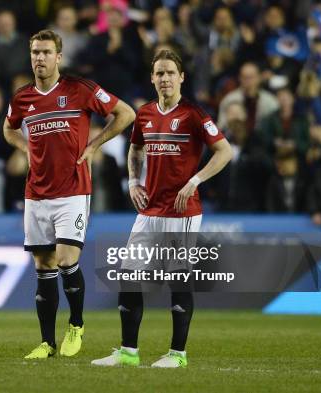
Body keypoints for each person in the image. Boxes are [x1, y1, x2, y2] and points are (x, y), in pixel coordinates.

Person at [92, 49, 232, 368]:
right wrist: (132, 181)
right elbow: (135, 149)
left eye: (170, 72)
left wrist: (195, 181)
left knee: (178, 280)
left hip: (181, 212)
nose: (165, 78)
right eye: (160, 73)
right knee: (129, 276)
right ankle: (128, 351)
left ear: (181, 77)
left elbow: (224, 152)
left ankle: (178, 355)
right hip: (149, 210)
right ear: (152, 78)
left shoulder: (194, 114)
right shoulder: (143, 114)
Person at [4, 29, 135, 359]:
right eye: (35, 52)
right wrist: (25, 148)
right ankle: (47, 343)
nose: (40, 58)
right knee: (43, 264)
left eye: (46, 52)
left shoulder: (79, 89)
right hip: (36, 193)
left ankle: (76, 324)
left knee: (65, 260)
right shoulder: (22, 98)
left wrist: (93, 145)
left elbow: (127, 114)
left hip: (73, 190)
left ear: (58, 57)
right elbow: (8, 128)